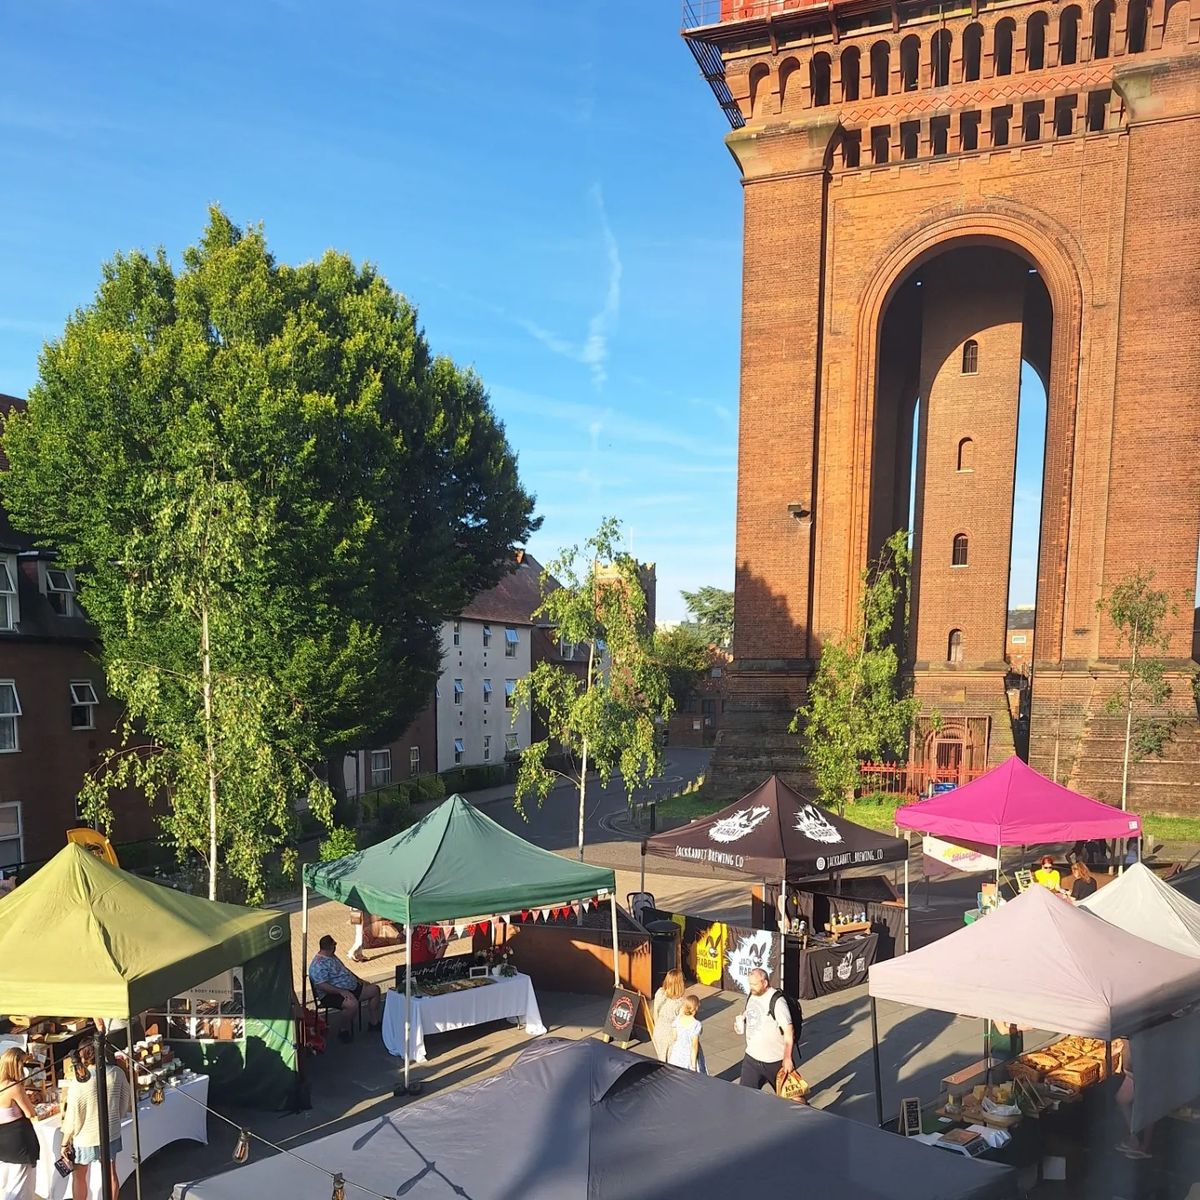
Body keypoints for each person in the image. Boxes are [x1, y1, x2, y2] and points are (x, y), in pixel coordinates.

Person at [60, 1040, 129, 1200]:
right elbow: (125, 1099)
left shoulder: (79, 1082)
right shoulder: (116, 1073)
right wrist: (115, 1117)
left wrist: (65, 1141)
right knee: (110, 1172)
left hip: (86, 1136)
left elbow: (72, 1115)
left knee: (79, 1176)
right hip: (110, 1131)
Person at [309, 934, 382, 1039]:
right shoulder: (318, 965)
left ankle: (374, 1023)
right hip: (331, 994)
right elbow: (322, 985)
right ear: (330, 947)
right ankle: (344, 1029)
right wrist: (341, 991)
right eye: (334, 944)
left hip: (352, 987)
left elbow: (345, 971)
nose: (336, 947)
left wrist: (358, 980)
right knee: (352, 1005)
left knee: (374, 990)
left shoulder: (332, 957)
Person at [734, 967, 794, 1093]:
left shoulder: (777, 1001)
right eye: (750, 983)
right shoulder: (752, 994)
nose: (751, 987)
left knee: (792, 1100)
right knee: (744, 1096)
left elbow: (789, 1030)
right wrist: (742, 1019)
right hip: (752, 1058)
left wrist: (787, 1057)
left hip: (775, 1061)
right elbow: (750, 1010)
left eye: (754, 984)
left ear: (765, 983)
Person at [0, 1048, 39, 1200]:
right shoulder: (14, 1087)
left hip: (3, 1141)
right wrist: (29, 1099)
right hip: (19, 1142)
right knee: (22, 1187)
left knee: (6, 1185)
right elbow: (31, 1113)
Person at [651, 969, 686, 1062]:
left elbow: (655, 1013)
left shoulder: (659, 993)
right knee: (672, 1063)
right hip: (671, 1035)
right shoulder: (681, 1003)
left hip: (658, 1031)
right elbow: (683, 1024)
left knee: (662, 1059)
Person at [665, 995, 705, 1072]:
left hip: (678, 1052)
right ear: (696, 1008)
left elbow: (674, 1037)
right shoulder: (696, 1024)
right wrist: (693, 1066)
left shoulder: (678, 1020)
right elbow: (694, 1046)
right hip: (688, 1054)